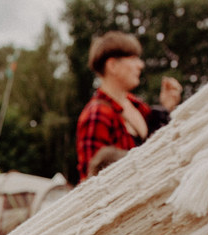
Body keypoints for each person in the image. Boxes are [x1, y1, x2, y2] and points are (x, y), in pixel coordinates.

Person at [75, 31, 182, 182]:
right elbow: (92, 185)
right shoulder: (96, 114)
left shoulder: (138, 106)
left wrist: (167, 107)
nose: (140, 65)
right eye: (133, 58)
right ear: (112, 66)